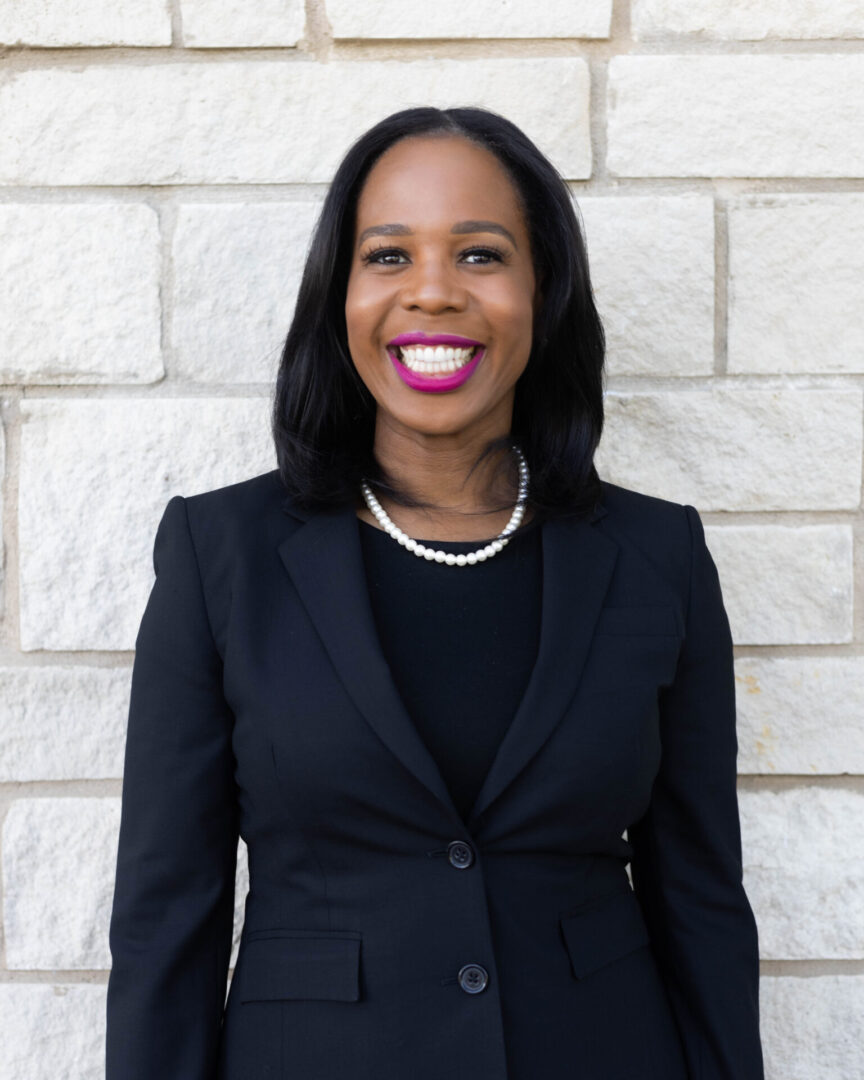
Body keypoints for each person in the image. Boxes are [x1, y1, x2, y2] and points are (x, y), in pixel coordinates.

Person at [105, 105, 764, 1080]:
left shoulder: (656, 557)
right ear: (340, 294)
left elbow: (702, 903)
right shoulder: (221, 555)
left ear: (544, 288)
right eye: (388, 256)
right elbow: (167, 917)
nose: (433, 294)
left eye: (481, 255)